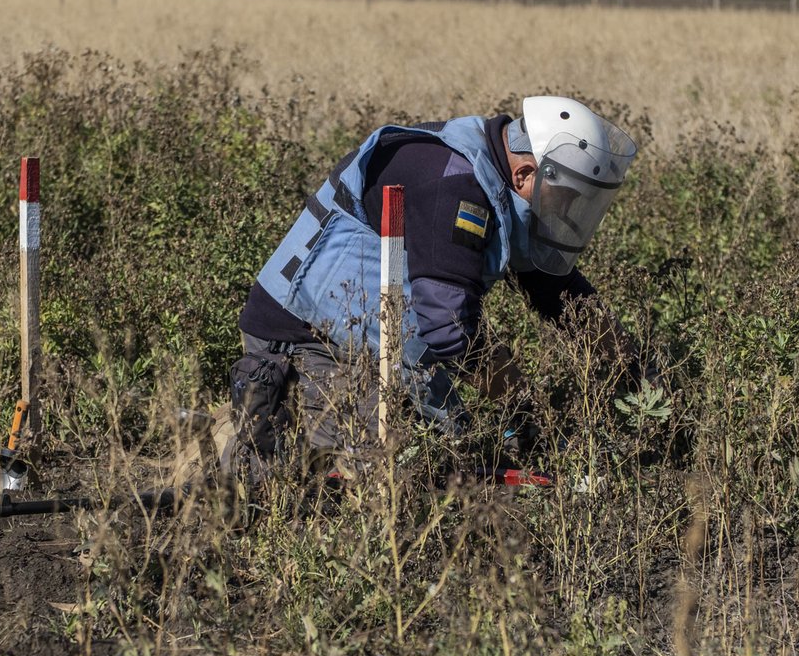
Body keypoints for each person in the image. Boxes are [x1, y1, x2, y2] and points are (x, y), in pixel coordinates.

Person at [228, 96, 651, 484]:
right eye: (564, 198)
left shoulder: (497, 179)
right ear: (525, 173)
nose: (566, 212)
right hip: (305, 341)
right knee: (391, 477)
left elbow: (554, 288)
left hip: (366, 341)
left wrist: (634, 370)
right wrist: (523, 401)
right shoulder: (455, 186)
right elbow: (450, 333)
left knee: (445, 451)